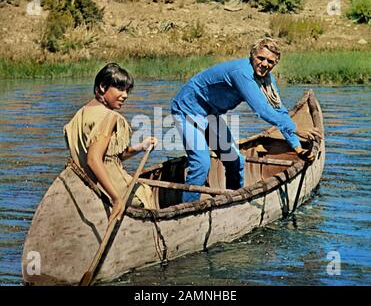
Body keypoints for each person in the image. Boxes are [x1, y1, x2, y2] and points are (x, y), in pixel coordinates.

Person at [171, 38, 321, 203]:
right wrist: (294, 129)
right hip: (188, 110)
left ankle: (233, 202)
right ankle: (188, 208)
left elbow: (278, 110)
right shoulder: (242, 73)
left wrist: (297, 147)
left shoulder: (267, 80)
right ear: (252, 55)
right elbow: (262, 110)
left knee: (236, 161)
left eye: (270, 61)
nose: (264, 64)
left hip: (210, 114)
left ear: (275, 63)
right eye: (261, 58)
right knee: (201, 163)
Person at [64, 63, 158, 224]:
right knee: (145, 192)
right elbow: (93, 159)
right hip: (111, 189)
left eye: (127, 90)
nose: (125, 95)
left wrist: (140, 147)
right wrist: (116, 199)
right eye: (120, 89)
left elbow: (108, 157)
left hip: (89, 189)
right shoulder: (109, 117)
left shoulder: (80, 115)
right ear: (102, 86)